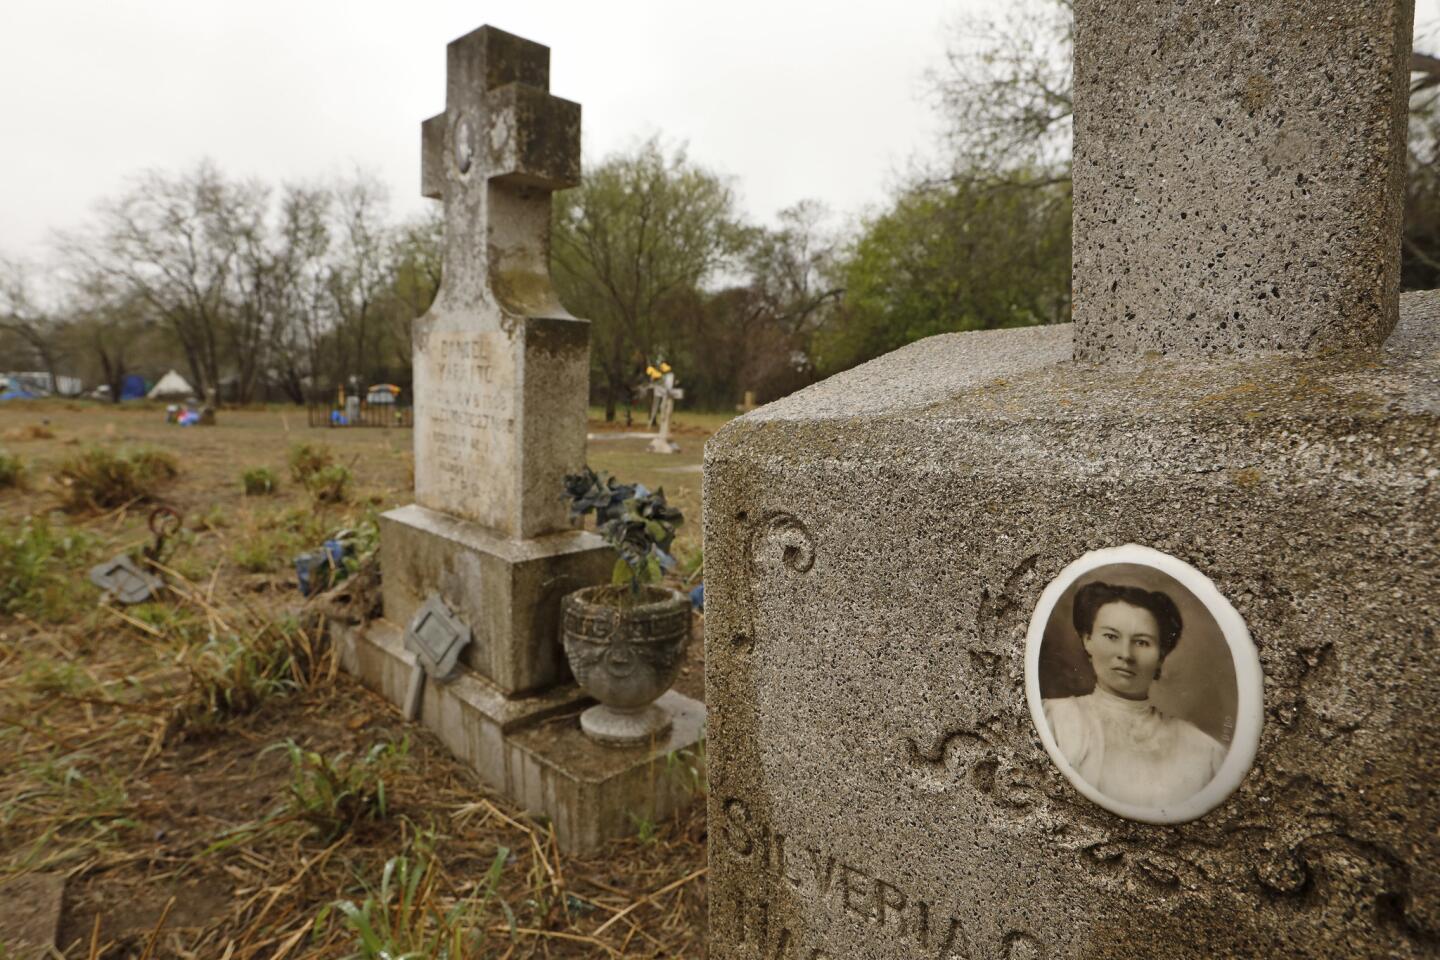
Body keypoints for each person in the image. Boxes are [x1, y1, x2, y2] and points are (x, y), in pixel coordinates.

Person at [1043, 581, 1227, 809]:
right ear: (1087, 640)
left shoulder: (1203, 751)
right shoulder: (1054, 719)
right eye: (1111, 636)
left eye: (1142, 642)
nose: (1125, 654)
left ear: (1161, 655)